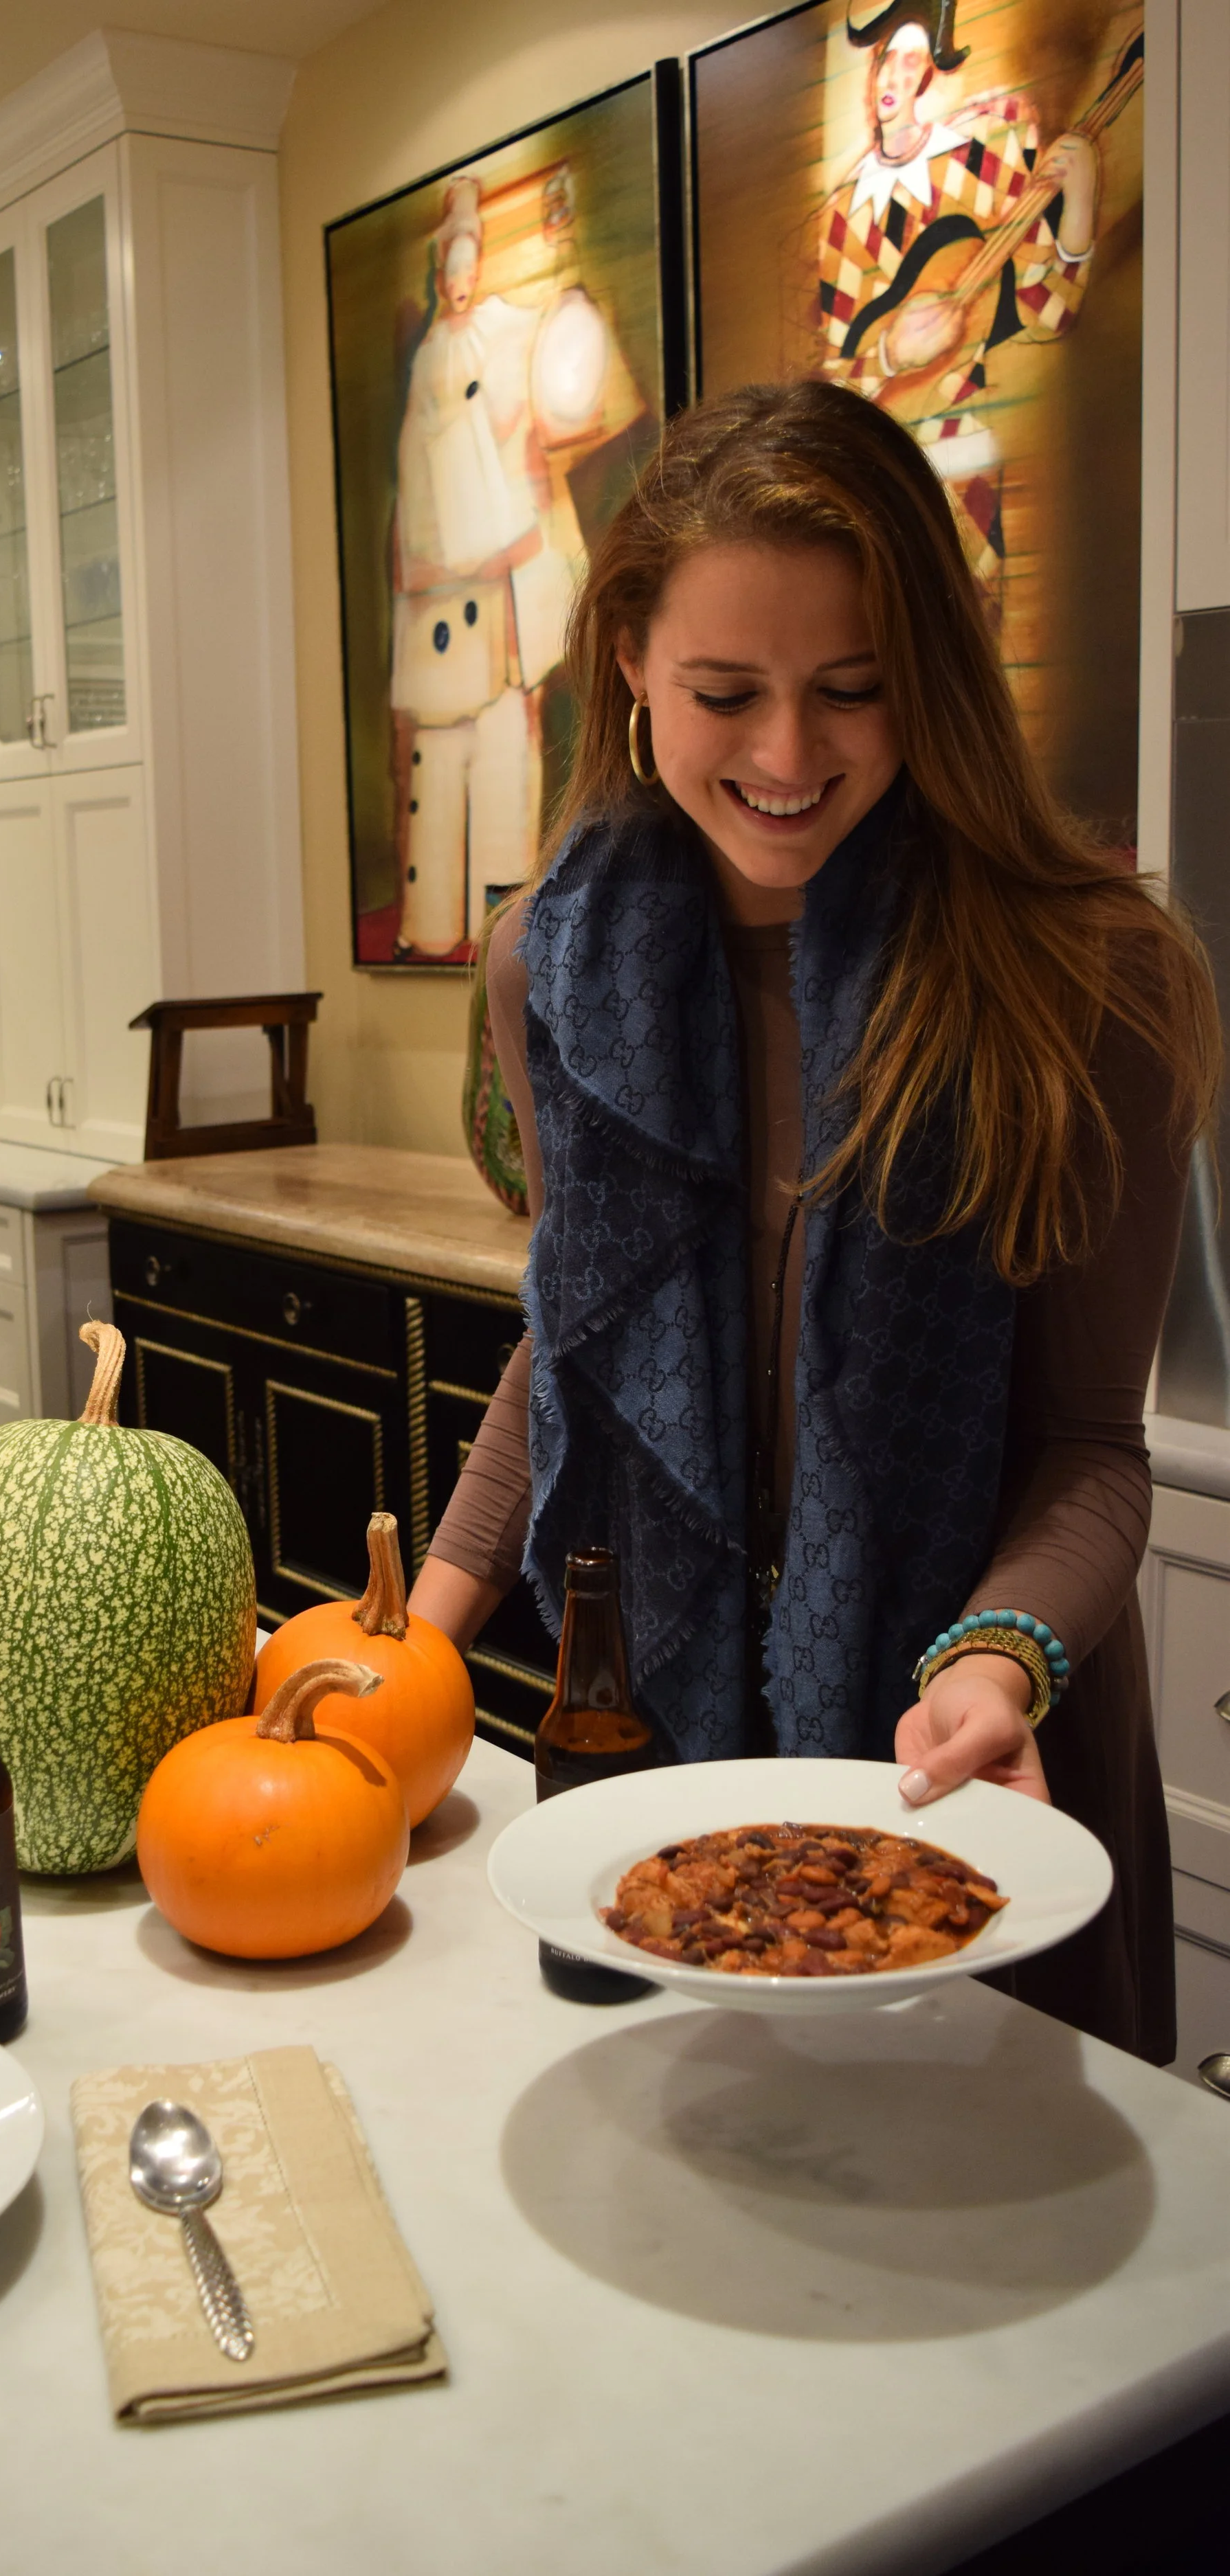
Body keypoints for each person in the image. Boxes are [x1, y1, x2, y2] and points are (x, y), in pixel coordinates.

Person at [410, 380, 1217, 2064]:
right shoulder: (548, 969)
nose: (786, 756)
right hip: (669, 1759)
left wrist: (999, 1662)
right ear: (628, 659)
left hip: (978, 1758)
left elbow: (1090, 1445)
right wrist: (408, 1638)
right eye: (726, 693)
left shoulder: (1090, 982)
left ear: (926, 674)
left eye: (852, 692)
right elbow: (576, 1345)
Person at [390, 172, 636, 957]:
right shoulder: (432, 368)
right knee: (443, 756)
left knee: (504, 754)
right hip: (445, 605)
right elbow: (422, 492)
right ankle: (433, 925)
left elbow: (563, 388)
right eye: (447, 270)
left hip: (496, 600)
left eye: (468, 267)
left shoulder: (506, 334)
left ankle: (500, 923)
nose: (459, 284)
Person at [818, 1, 1105, 624]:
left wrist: (1078, 207)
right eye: (885, 62)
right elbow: (835, 386)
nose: (893, 78)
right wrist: (894, 351)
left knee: (970, 651)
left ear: (932, 75)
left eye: (912, 62)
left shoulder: (985, 157)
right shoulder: (844, 214)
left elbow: (1047, 312)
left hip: (965, 465)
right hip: (876, 477)